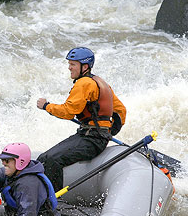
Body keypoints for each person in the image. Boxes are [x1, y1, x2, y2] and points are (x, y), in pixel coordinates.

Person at [36, 47, 127, 192]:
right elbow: (120, 111)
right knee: (44, 158)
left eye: (73, 64)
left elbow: (68, 112)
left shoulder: (84, 83)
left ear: (85, 67)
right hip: (94, 136)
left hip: (91, 139)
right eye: (69, 63)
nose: (69, 67)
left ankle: (50, 205)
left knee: (50, 160)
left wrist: (46, 106)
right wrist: (109, 131)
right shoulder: (100, 82)